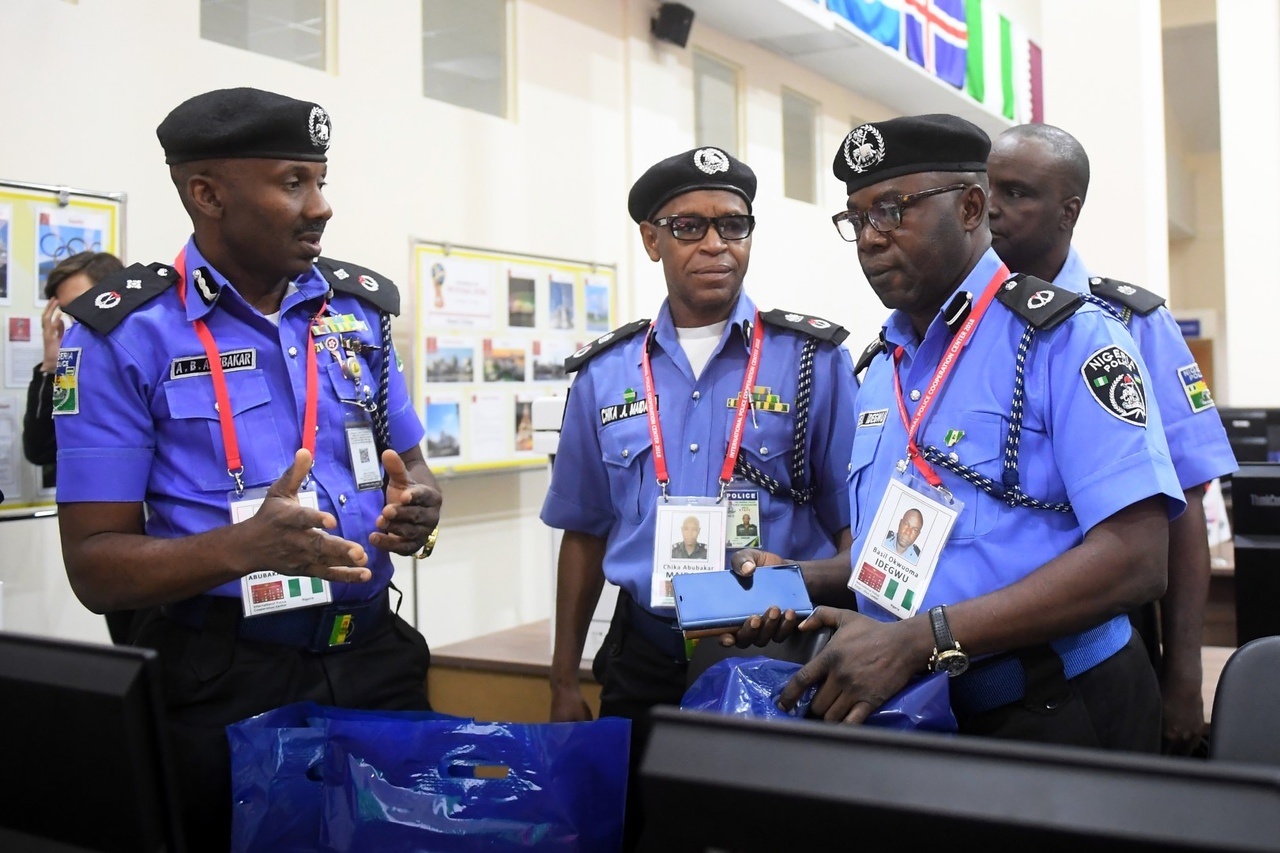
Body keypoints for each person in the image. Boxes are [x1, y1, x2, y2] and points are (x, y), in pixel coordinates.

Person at [53, 87, 442, 851]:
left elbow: (415, 466)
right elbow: (95, 567)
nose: (321, 205)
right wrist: (244, 547)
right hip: (224, 682)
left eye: (321, 179)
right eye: (294, 181)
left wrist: (422, 505)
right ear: (209, 194)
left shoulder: (356, 314)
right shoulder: (122, 337)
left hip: (373, 656)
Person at [739, 114, 1184, 752]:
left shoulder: (1070, 339)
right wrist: (800, 578)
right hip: (917, 711)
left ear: (971, 206)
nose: (870, 237)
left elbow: (1137, 560)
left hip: (1056, 710)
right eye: (857, 219)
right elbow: (913, 553)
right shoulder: (881, 367)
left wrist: (924, 638)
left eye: (892, 210)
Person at [541, 146, 859, 847]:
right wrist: (565, 676)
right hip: (643, 651)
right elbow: (586, 530)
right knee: (643, 828)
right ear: (651, 238)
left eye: (733, 225)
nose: (716, 244)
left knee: (759, 832)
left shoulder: (814, 362)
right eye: (689, 226)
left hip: (771, 648)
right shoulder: (604, 374)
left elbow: (854, 534)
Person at [987, 123, 1237, 754]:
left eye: (1016, 192)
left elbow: (1184, 510)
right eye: (987, 188)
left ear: (1069, 210)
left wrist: (1184, 680)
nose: (992, 206)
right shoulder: (961, 324)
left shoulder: (1128, 322)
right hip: (973, 664)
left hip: (1097, 658)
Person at [23, 251, 145, 645]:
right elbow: (40, 450)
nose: (81, 326)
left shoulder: (154, 354)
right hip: (119, 564)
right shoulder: (72, 373)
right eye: (71, 317)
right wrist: (52, 365)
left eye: (86, 310)